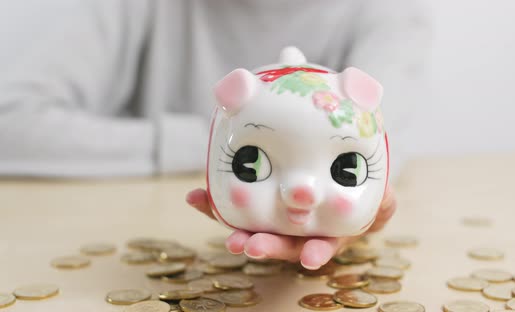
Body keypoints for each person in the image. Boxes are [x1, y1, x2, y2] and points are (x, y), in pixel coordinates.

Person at [0, 0, 429, 268]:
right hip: (137, 224)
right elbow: (10, 120)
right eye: (249, 163)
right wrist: (219, 145)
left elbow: (384, 136)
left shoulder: (386, 10)